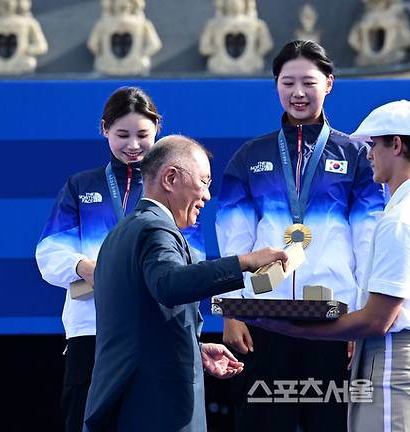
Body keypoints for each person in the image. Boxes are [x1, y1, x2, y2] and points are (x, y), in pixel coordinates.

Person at [252, 100, 410, 432]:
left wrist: (292, 328)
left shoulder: (404, 218)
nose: (368, 154)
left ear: (396, 144)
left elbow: (377, 320)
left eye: (373, 144)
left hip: (396, 370)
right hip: (398, 367)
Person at [215, 39, 385, 431]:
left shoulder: (358, 155)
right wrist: (232, 310)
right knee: (262, 420)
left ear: (329, 83)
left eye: (308, 82)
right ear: (275, 85)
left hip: (333, 317)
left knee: (332, 420)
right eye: (287, 82)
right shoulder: (249, 156)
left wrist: (360, 317)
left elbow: (368, 240)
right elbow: (233, 242)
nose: (297, 93)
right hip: (264, 318)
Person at [82, 135, 288, 432]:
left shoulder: (121, 233)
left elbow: (139, 322)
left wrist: (195, 349)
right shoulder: (156, 229)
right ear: (171, 178)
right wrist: (244, 262)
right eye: (204, 182)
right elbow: (169, 284)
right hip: (156, 409)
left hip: (126, 403)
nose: (207, 195)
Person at [35, 86, 198, 432]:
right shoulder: (81, 185)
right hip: (90, 330)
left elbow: (193, 256)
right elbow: (48, 253)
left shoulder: (172, 185)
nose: (133, 145)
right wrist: (88, 268)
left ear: (158, 129)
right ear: (104, 129)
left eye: (143, 134)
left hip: (155, 333)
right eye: (122, 134)